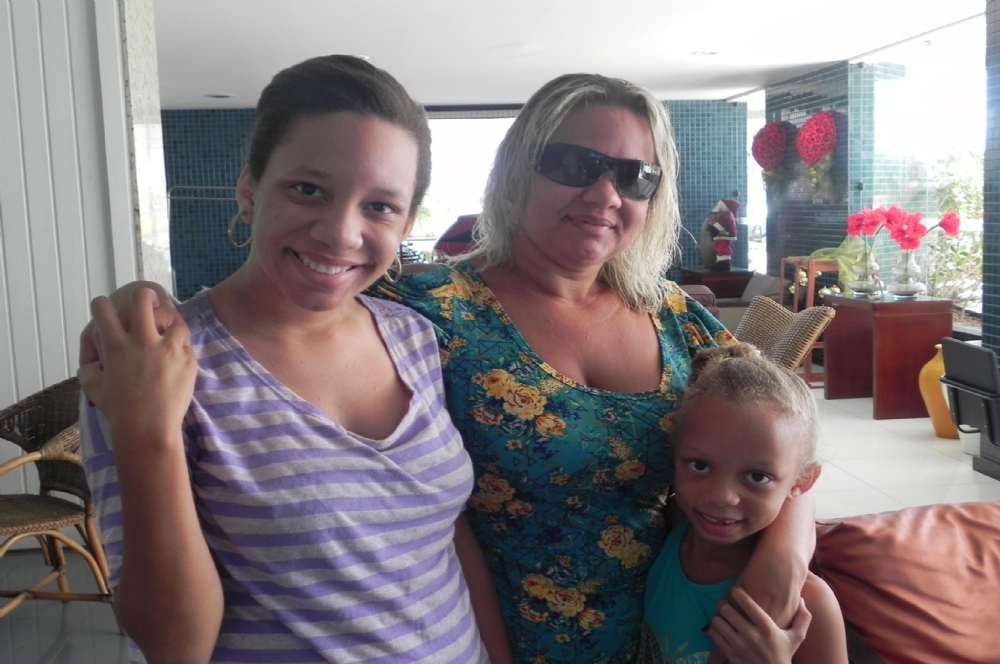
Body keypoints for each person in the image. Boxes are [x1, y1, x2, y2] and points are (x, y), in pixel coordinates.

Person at [83, 72, 816, 663]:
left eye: (635, 176)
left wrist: (785, 551)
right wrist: (148, 308)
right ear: (517, 170)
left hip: (666, 636)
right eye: (576, 165)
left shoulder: (677, 318)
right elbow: (301, 302)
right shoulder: (427, 312)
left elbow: (781, 445)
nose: (604, 194)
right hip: (505, 641)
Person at [77, 55, 511, 664]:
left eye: (380, 206)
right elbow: (174, 646)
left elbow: (446, 536)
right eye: (308, 190)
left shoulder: (412, 335)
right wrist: (148, 433)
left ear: (408, 222)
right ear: (249, 191)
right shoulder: (153, 363)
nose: (340, 234)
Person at [640, 344, 847, 664]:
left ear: (801, 482)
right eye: (700, 466)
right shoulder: (665, 531)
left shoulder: (810, 602)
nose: (721, 496)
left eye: (757, 477)